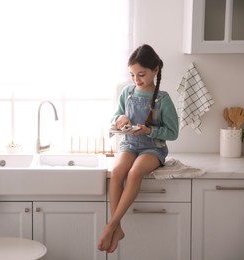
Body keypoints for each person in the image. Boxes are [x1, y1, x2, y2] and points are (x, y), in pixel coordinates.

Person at [97, 44, 179, 253]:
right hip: (129, 144)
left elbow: (172, 133)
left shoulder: (163, 99)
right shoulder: (128, 92)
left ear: (155, 70)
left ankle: (111, 226)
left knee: (134, 173)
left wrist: (148, 130)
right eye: (132, 75)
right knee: (116, 172)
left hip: (153, 148)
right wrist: (120, 119)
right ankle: (119, 227)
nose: (136, 80)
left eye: (141, 74)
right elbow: (114, 117)